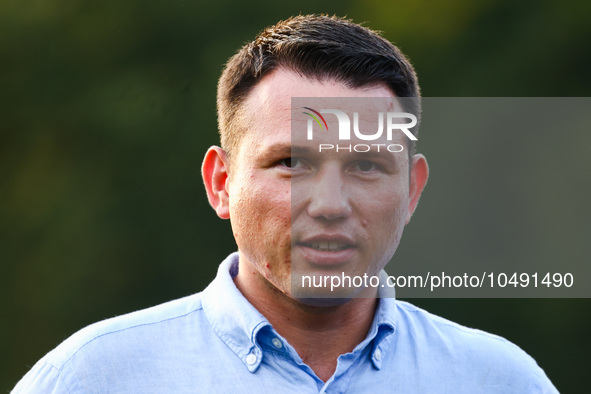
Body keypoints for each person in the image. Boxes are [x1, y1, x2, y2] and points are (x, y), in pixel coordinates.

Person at [13, 15, 557, 393]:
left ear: (412, 191)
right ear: (221, 182)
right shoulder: (91, 379)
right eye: (291, 163)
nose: (329, 204)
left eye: (367, 165)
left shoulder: (502, 382)